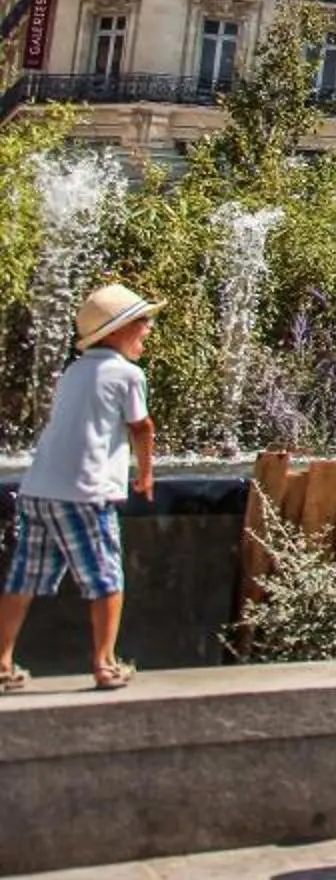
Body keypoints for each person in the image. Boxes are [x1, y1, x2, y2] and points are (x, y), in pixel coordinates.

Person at [0, 284, 158, 693]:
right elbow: (142, 427)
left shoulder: (73, 371)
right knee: (106, 578)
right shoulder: (129, 374)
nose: (148, 327)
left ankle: (1, 662)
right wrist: (145, 475)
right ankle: (105, 664)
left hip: (38, 491)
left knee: (24, 578)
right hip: (86, 494)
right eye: (141, 321)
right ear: (115, 330)